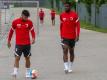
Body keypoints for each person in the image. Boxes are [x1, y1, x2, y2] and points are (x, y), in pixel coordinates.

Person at [7, 10, 36, 78]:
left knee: (27, 58)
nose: (26, 18)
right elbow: (11, 32)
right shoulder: (15, 22)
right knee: (17, 58)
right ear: (22, 15)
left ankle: (28, 73)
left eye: (27, 17)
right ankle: (15, 72)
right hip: (19, 44)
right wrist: (9, 41)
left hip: (27, 44)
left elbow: (32, 31)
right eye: (25, 17)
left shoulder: (29, 22)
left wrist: (33, 38)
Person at [60, 2, 80, 73]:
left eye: (67, 6)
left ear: (70, 7)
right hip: (64, 37)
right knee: (65, 50)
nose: (66, 8)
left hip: (72, 37)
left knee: (71, 52)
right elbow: (61, 26)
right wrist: (61, 36)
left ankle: (70, 66)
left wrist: (77, 35)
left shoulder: (75, 15)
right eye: (65, 6)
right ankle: (66, 67)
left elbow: (78, 26)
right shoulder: (62, 15)